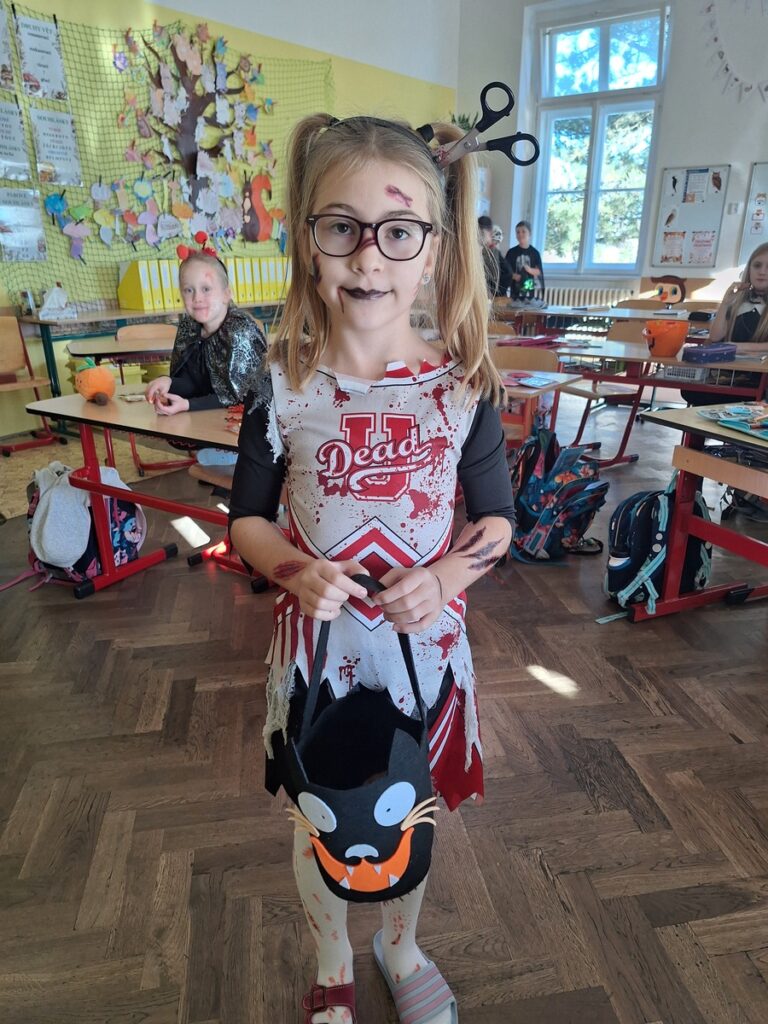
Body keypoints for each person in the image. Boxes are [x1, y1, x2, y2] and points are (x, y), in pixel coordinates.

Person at [229, 112, 515, 1023]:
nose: (367, 256)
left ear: (432, 250)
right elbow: (245, 522)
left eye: (396, 232)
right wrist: (291, 569)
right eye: (341, 227)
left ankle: (401, 944)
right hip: (319, 663)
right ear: (307, 241)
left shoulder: (464, 387)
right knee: (320, 818)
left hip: (422, 659)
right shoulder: (281, 386)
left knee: (406, 812)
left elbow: (499, 522)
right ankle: (332, 960)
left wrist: (448, 578)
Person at [145, 250, 267, 416]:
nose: (197, 298)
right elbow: (195, 384)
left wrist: (188, 405)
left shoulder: (239, 330)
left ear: (226, 294)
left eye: (206, 289)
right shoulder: (189, 327)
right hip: (205, 417)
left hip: (244, 420)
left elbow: (237, 396)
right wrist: (169, 382)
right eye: (188, 290)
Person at [681, 242, 768, 406]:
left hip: (759, 380)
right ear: (749, 269)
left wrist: (738, 347)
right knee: (691, 390)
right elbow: (715, 337)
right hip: (728, 375)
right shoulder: (738, 303)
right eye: (757, 265)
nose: (762, 272)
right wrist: (725, 303)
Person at [504, 219, 545, 303]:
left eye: (523, 231)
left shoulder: (535, 253)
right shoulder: (511, 252)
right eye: (518, 232)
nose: (520, 234)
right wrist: (513, 276)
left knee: (528, 309)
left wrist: (529, 270)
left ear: (529, 233)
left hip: (529, 290)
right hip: (514, 291)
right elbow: (505, 270)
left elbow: (539, 271)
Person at [478, 214, 510, 297]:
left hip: (489, 293)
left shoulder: (492, 251)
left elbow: (500, 274)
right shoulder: (481, 249)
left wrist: (494, 292)